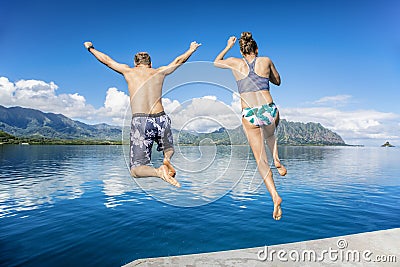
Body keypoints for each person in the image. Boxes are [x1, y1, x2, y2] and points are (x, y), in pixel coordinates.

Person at [84, 41, 201, 187]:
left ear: (135, 63)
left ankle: (159, 172)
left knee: (136, 170)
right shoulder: (160, 71)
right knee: (169, 148)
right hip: (161, 118)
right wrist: (191, 49)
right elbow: (179, 60)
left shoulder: (128, 71)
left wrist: (91, 48)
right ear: (150, 64)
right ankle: (167, 159)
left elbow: (107, 61)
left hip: (141, 121)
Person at [214, 32, 287, 220]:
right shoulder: (266, 60)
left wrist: (228, 45)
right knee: (270, 134)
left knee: (260, 160)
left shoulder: (234, 62)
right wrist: (265, 75)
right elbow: (277, 81)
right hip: (269, 108)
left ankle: (275, 196)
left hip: (249, 113)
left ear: (241, 50)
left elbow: (216, 62)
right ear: (256, 49)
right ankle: (277, 158)